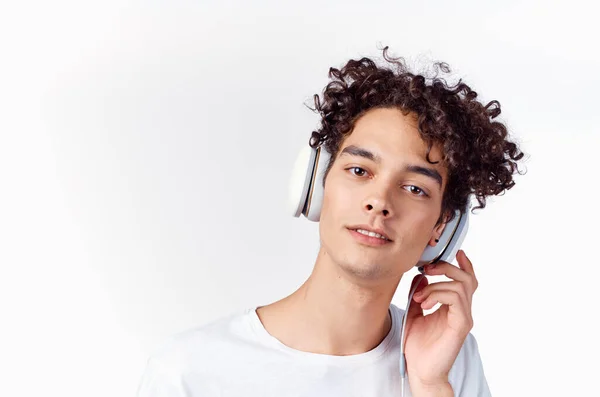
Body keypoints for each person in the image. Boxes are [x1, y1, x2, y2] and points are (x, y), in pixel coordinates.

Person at [136, 46, 525, 396]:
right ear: (317, 187)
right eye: (359, 171)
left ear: (442, 228)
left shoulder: (450, 358)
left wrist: (429, 385)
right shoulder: (189, 372)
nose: (379, 201)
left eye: (414, 189)